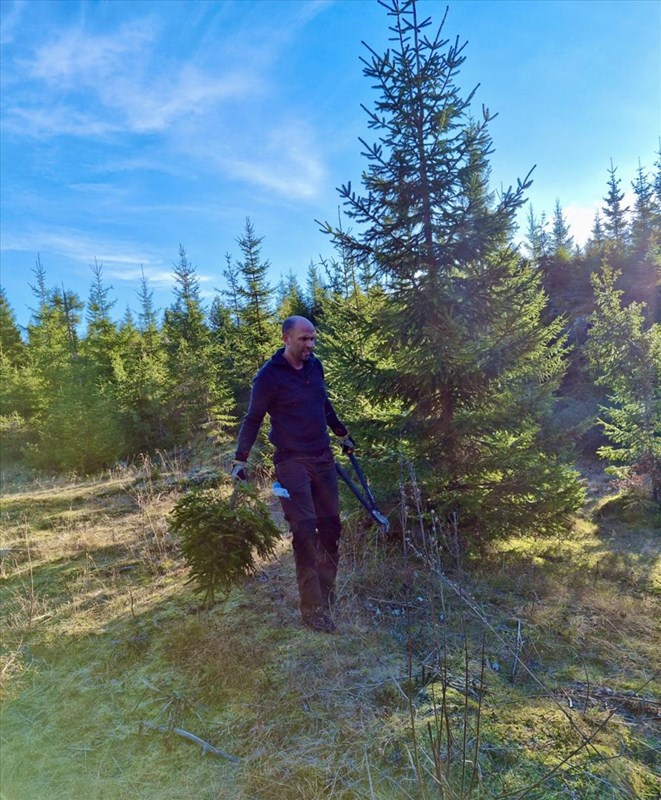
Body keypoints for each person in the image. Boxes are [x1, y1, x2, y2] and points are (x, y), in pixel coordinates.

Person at [231, 315, 355, 633]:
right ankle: (311, 610)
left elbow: (322, 402)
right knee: (304, 530)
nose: (310, 345)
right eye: (304, 339)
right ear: (286, 338)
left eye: (313, 339)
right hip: (291, 461)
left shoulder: (315, 366)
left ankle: (327, 597)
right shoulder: (269, 376)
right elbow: (253, 417)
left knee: (331, 529)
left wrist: (341, 432)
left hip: (322, 457)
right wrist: (240, 459)